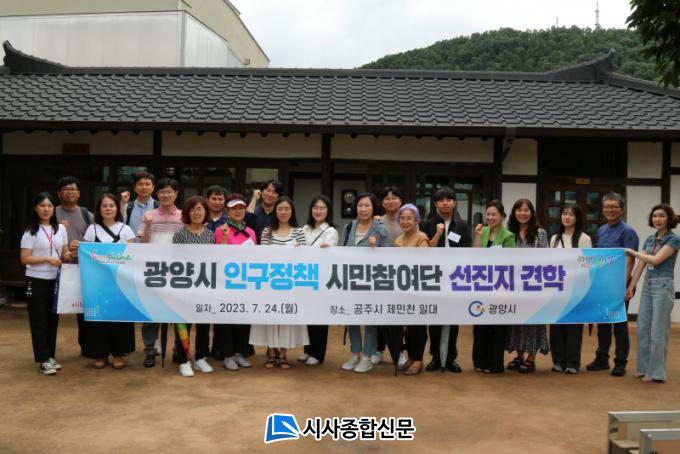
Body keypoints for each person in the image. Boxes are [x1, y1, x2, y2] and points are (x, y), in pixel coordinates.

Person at [78, 193, 136, 369]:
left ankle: (119, 353)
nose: (108, 209)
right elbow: (84, 254)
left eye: (111, 205)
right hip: (96, 283)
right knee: (98, 317)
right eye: (104, 206)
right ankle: (100, 353)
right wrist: (76, 247)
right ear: (99, 209)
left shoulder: (125, 229)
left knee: (119, 317)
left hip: (120, 283)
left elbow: (132, 255)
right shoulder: (92, 229)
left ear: (117, 208)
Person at [249, 196, 308, 369]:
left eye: (286, 209)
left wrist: (299, 252)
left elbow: (304, 258)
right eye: (280, 209)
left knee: (286, 319)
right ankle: (271, 353)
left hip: (291, 284)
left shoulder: (299, 232)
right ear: (275, 212)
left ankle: (283, 354)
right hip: (270, 284)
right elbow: (264, 257)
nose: (283, 212)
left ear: (292, 212)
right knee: (271, 317)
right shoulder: (267, 231)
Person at [625, 204, 679, 383]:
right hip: (648, 286)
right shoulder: (649, 239)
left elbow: (656, 260)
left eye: (662, 216)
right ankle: (642, 368)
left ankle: (656, 372)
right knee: (643, 328)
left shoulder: (674, 239)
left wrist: (635, 253)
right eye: (655, 216)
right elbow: (641, 266)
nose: (658, 219)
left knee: (658, 331)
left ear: (669, 219)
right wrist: (631, 287)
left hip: (663, 286)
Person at [586, 192, 639, 377]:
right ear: (603, 210)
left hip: (620, 285)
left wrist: (621, 285)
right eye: (607, 206)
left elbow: (630, 260)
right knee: (603, 323)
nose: (610, 210)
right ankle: (602, 359)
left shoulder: (628, 232)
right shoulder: (601, 230)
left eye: (614, 206)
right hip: (603, 284)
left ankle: (620, 362)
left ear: (622, 210)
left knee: (620, 325)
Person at [420, 186, 471, 373]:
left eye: (449, 199)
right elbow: (424, 251)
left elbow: (466, 251)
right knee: (434, 318)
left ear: (454, 203)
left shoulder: (462, 226)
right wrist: (438, 233)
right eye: (441, 200)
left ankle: (450, 358)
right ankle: (435, 357)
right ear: (435, 204)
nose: (445, 203)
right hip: (434, 278)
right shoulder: (426, 225)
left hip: (455, 278)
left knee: (453, 318)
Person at [339, 192, 390, 373]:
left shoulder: (380, 228)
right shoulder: (349, 226)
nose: (363, 209)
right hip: (351, 280)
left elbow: (389, 256)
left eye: (367, 205)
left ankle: (368, 356)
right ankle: (355, 354)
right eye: (360, 205)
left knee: (370, 319)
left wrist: (376, 249)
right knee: (352, 318)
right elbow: (340, 251)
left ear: (373, 208)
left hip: (372, 282)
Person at [20, 192, 69, 375]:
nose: (46, 209)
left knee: (52, 319)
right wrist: (47, 259)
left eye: (49, 206)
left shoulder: (60, 229)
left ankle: (50, 356)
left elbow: (64, 254)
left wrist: (73, 251)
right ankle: (43, 360)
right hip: (36, 279)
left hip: (55, 280)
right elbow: (24, 258)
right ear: (35, 208)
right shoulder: (30, 231)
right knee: (38, 320)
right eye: (42, 205)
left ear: (53, 208)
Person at [137, 177, 184, 368]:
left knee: (178, 313)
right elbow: (143, 243)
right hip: (154, 271)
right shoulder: (149, 215)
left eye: (169, 191)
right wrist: (148, 225)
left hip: (177, 272)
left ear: (176, 194)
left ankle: (177, 350)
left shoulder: (183, 216)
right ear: (157, 194)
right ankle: (150, 351)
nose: (166, 195)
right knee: (150, 314)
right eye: (162, 192)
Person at [172, 196, 216, 377]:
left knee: (204, 324)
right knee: (183, 323)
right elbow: (175, 261)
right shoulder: (180, 234)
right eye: (193, 209)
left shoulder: (210, 235)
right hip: (184, 286)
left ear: (206, 212)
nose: (196, 213)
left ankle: (201, 357)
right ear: (187, 213)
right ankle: (184, 360)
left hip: (205, 286)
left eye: (200, 209)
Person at [505, 199, 550, 374]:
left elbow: (546, 260)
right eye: (519, 210)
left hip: (533, 285)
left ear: (532, 213)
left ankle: (531, 358)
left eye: (526, 210)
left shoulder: (540, 233)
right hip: (513, 285)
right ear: (514, 213)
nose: (522, 213)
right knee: (515, 321)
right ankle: (519, 356)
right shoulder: (508, 232)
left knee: (533, 321)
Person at [472, 200, 516, 373]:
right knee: (480, 324)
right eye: (488, 214)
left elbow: (510, 262)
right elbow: (474, 256)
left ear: (502, 216)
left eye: (494, 214)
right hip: (482, 284)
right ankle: (480, 361)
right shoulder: (482, 231)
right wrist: (477, 236)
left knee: (497, 326)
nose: (490, 217)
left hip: (500, 284)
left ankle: (494, 363)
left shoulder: (508, 236)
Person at [215, 193, 257, 370]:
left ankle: (240, 352)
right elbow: (219, 257)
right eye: (234, 208)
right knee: (226, 320)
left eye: (241, 208)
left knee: (243, 318)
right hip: (227, 283)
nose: (238, 211)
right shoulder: (221, 230)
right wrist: (225, 238)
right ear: (228, 211)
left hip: (246, 282)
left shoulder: (251, 232)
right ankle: (227, 354)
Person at [549, 205, 592, 374]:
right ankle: (558, 361)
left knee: (573, 326)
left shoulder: (584, 238)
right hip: (557, 288)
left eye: (571, 215)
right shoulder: (555, 239)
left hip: (576, 288)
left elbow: (587, 265)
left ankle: (572, 363)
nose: (567, 217)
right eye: (564, 214)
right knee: (557, 326)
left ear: (577, 218)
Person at [55, 176, 93, 354]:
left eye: (73, 189)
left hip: (81, 268)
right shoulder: (52, 213)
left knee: (83, 308)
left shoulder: (87, 215)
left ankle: (87, 346)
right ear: (59, 193)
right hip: (56, 267)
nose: (69, 192)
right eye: (65, 189)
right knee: (53, 308)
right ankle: (49, 352)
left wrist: (82, 248)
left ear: (79, 193)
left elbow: (95, 241)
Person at [299, 195, 339, 366]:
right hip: (306, 279)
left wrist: (326, 250)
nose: (318, 211)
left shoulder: (330, 231)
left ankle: (318, 353)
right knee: (307, 315)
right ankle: (308, 350)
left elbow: (330, 255)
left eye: (322, 208)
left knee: (319, 317)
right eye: (315, 207)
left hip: (322, 280)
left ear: (328, 211)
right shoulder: (305, 229)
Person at [394, 203, 429, 375]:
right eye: (402, 218)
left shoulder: (422, 237)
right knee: (406, 326)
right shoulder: (398, 239)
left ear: (416, 220)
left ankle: (418, 359)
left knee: (418, 326)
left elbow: (423, 262)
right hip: (402, 289)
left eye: (409, 218)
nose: (405, 221)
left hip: (418, 289)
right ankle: (411, 356)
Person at [204, 185, 229, 359]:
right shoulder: (199, 216)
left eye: (221, 199)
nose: (217, 202)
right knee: (203, 312)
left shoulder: (228, 220)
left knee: (220, 311)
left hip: (222, 273)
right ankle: (202, 348)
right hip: (202, 272)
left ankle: (218, 347)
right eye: (214, 198)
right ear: (207, 200)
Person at [246, 179, 282, 244]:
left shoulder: (280, 215)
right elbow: (246, 220)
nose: (270, 194)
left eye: (274, 192)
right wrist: (254, 198)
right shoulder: (254, 212)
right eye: (268, 190)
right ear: (261, 192)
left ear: (278, 197)